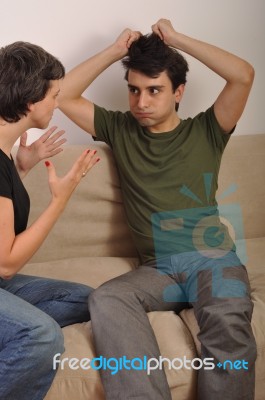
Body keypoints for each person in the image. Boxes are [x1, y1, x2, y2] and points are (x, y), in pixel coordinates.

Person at [58, 19, 257, 400]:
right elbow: (62, 96)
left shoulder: (208, 130)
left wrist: (178, 40)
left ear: (178, 92)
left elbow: (244, 75)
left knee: (227, 320)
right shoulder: (119, 129)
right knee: (107, 298)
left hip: (212, 259)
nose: (141, 102)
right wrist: (116, 51)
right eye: (133, 90)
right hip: (158, 270)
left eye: (154, 90)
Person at [0, 41, 99, 400]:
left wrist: (20, 169)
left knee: (88, 300)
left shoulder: (4, 153)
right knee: (41, 334)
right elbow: (7, 262)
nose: (57, 104)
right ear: (30, 101)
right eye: (54, 96)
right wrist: (61, 198)